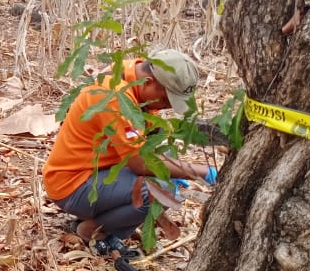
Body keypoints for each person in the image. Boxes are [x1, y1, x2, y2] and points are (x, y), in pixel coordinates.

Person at [41, 49, 217, 258]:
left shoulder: (133, 73)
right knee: (158, 193)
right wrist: (198, 171)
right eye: (165, 100)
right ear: (149, 83)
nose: (166, 107)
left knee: (166, 155)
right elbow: (138, 163)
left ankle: (105, 217)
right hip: (72, 184)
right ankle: (94, 231)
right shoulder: (117, 99)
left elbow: (148, 137)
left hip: (100, 170)